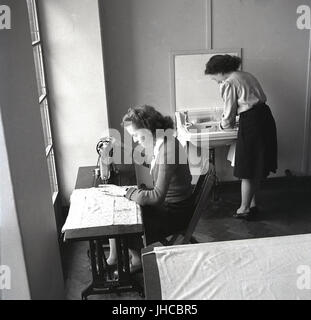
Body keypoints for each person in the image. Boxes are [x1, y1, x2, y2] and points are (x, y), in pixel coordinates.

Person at [106, 105, 194, 271]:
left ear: (148, 128)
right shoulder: (163, 141)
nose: (134, 139)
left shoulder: (169, 149)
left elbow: (156, 196)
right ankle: (117, 257)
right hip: (169, 206)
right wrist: (122, 148)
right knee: (120, 210)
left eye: (136, 135)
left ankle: (132, 259)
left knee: (124, 218)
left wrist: (125, 192)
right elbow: (151, 162)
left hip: (175, 213)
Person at [205, 55, 277, 219]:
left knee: (247, 168)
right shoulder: (246, 75)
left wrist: (223, 125)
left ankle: (244, 209)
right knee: (256, 166)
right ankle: (252, 205)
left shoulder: (229, 82)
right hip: (264, 117)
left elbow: (229, 112)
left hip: (252, 122)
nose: (215, 81)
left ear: (220, 71)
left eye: (214, 77)